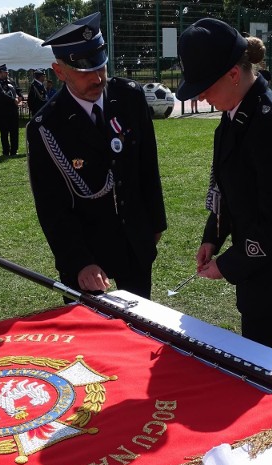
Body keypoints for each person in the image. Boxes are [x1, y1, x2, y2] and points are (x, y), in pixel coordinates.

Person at [176, 18, 272, 361]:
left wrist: (227, 264)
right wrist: (211, 238)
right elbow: (227, 193)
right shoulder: (232, 119)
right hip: (259, 284)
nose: (201, 95)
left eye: (205, 86)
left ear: (233, 74)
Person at [26, 12, 167, 300]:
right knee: (89, 334)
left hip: (134, 239)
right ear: (60, 71)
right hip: (87, 250)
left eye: (101, 65)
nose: (98, 77)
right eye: (84, 70)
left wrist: (154, 224)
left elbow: (147, 166)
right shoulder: (46, 127)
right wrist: (78, 261)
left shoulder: (129, 97)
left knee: (140, 328)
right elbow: (52, 206)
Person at [0, 64, 22, 156]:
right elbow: (2, 94)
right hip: (3, 110)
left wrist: (20, 97)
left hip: (13, 110)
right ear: (0, 73)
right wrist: (14, 100)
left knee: (14, 131)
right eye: (5, 72)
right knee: (4, 132)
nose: (7, 73)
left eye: (7, 72)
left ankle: (14, 150)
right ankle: (6, 151)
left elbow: (17, 89)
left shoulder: (11, 81)